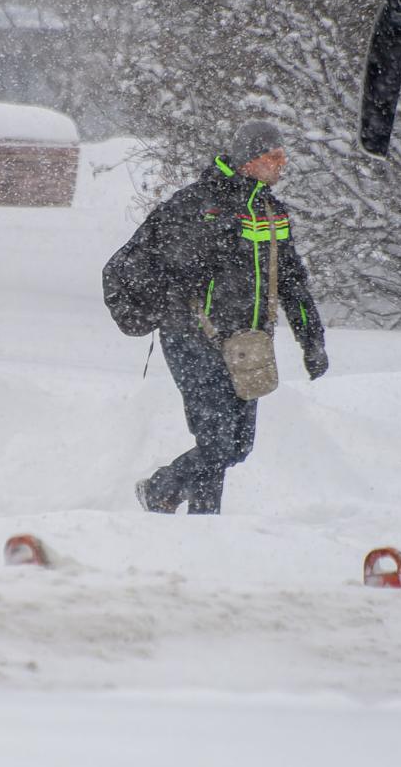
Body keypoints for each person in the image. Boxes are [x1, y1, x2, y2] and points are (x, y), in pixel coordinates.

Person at [106, 119, 327, 515]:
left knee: (238, 447)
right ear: (250, 160)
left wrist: (312, 342)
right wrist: (165, 310)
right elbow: (138, 263)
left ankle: (167, 495)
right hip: (194, 339)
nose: (283, 163)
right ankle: (192, 516)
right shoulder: (196, 205)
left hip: (248, 346)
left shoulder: (272, 212)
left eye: (282, 155)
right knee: (216, 443)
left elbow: (292, 283)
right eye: (274, 156)